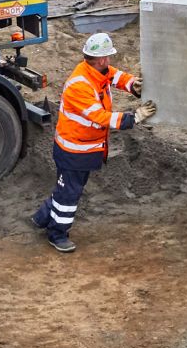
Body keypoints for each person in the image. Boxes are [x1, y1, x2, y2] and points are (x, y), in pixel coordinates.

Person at [33, 32, 142, 253]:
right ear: (101, 59)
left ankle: (42, 217)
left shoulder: (94, 71)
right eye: (108, 57)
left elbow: (114, 75)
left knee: (66, 186)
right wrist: (134, 117)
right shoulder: (79, 85)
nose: (110, 61)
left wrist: (132, 84)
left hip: (82, 148)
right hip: (74, 151)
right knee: (69, 194)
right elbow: (101, 117)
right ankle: (57, 234)